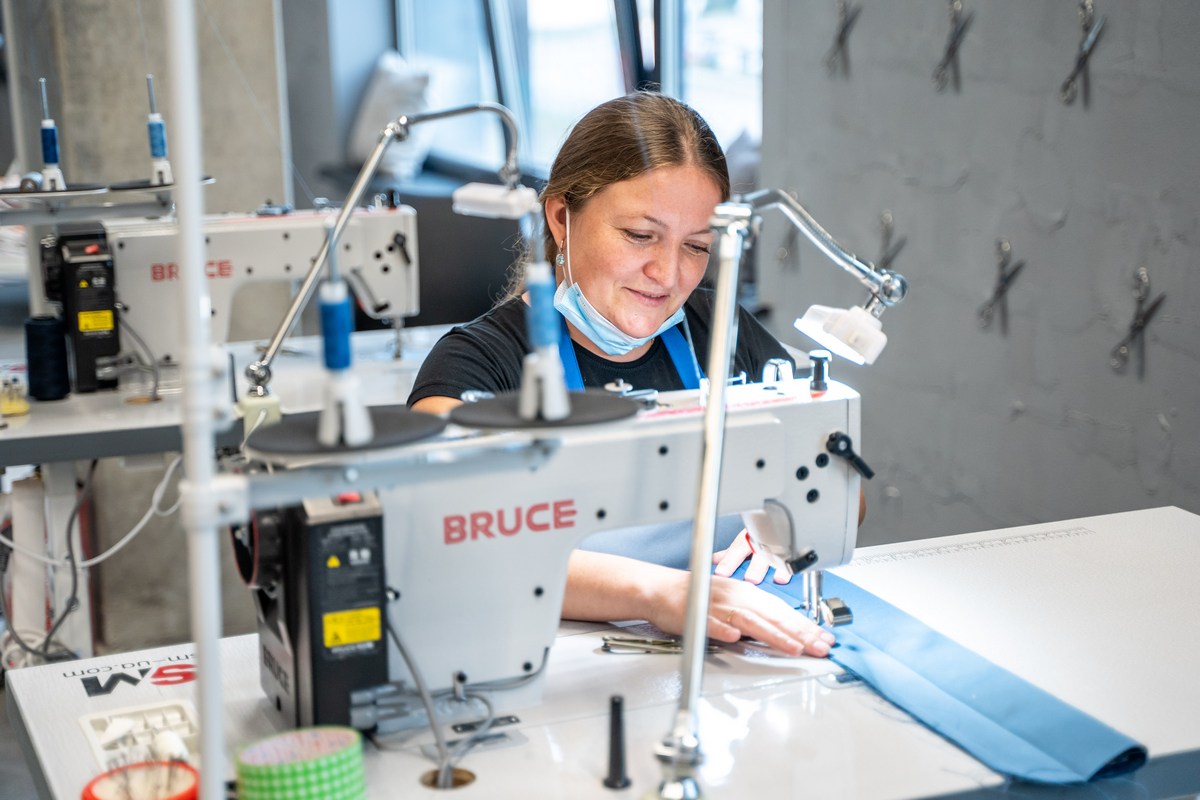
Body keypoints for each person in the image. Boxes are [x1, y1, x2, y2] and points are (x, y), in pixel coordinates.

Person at [409, 92, 838, 658]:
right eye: (640, 235)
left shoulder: (719, 331)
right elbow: (442, 532)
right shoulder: (477, 365)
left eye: (696, 246)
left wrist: (785, 530)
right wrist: (660, 593)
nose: (668, 273)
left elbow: (840, 492)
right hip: (557, 669)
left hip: (724, 651)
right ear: (561, 218)